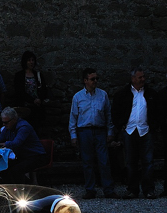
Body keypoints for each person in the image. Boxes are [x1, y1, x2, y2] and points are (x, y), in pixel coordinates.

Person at [68, 68, 118, 199]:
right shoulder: (78, 97)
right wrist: (73, 135)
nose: (95, 81)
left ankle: (108, 189)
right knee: (87, 161)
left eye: (96, 79)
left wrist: (110, 131)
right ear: (85, 81)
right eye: (92, 79)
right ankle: (90, 189)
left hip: (100, 131)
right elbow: (73, 117)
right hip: (84, 132)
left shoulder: (103, 95)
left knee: (104, 161)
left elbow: (108, 115)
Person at [112, 67, 159, 199]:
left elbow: (157, 111)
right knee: (130, 162)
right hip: (130, 130)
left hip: (146, 130)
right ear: (133, 79)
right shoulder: (122, 94)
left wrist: (153, 126)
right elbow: (115, 111)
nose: (143, 79)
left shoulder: (151, 94)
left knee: (148, 162)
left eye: (143, 77)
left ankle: (148, 189)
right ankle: (132, 189)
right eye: (140, 77)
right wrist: (120, 125)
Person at [0, 107, 48, 183]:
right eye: (3, 122)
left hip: (36, 156)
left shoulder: (24, 127)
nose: (4, 124)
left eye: (6, 122)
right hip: (23, 157)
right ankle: (11, 189)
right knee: (2, 168)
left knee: (16, 170)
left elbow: (16, 143)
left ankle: (25, 188)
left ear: (14, 119)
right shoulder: (8, 127)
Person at [13, 51, 48, 135]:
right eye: (29, 60)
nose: (31, 62)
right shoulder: (19, 76)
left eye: (32, 60)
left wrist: (40, 99)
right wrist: (32, 100)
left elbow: (43, 89)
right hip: (24, 108)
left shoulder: (38, 75)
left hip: (36, 108)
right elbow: (19, 92)